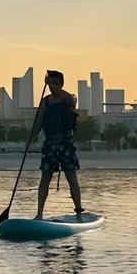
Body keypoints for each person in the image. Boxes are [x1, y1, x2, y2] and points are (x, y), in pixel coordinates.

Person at [34, 69, 84, 222]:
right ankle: (39, 214)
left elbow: (67, 99)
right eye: (50, 83)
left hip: (65, 144)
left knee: (71, 178)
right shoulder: (45, 102)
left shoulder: (70, 98)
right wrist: (31, 137)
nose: (52, 86)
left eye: (55, 83)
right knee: (45, 178)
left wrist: (51, 84)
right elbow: (39, 121)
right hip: (50, 144)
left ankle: (79, 214)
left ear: (61, 84)